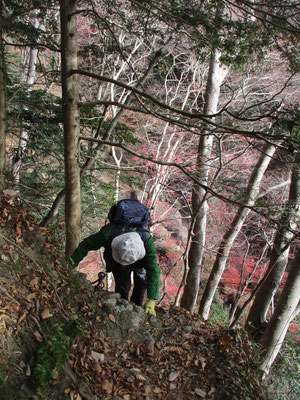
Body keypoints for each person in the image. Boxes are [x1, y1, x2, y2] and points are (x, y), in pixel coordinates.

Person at [69, 203, 160, 316]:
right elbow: (86, 245)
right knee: (122, 286)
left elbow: (153, 268)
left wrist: (152, 299)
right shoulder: (108, 233)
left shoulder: (146, 239)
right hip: (118, 262)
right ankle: (121, 309)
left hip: (138, 261)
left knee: (141, 285)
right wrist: (69, 264)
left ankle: (136, 309)